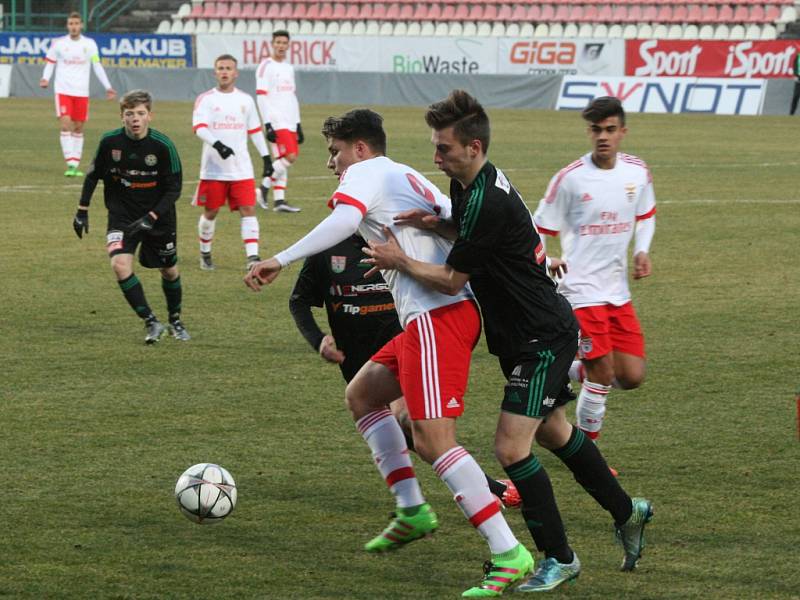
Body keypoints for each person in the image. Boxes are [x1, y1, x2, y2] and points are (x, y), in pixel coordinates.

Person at [362, 90, 653, 592]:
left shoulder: (486, 198)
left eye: (444, 148)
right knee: (554, 431)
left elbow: (453, 280)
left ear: (474, 147)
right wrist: (436, 222)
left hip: (540, 334)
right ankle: (629, 511)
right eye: (434, 147)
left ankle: (559, 558)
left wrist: (400, 259)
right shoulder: (471, 186)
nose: (436, 157)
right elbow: (476, 237)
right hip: (525, 333)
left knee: (510, 448)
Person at [246, 109, 534, 597]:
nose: (333, 164)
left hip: (437, 319)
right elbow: (463, 224)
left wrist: (278, 258)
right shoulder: (405, 176)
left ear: (359, 148)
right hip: (432, 318)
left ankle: (509, 552)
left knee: (434, 441)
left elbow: (344, 218)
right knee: (362, 396)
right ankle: (412, 508)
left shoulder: (368, 172)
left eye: (336, 153)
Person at [289, 233, 521, 508]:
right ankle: (473, 493)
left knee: (412, 422)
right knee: (411, 432)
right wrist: (318, 339)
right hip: (360, 367)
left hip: (406, 352)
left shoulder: (397, 242)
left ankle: (483, 494)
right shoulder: (326, 247)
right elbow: (299, 300)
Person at [533, 96, 656, 445]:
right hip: (580, 289)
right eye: (597, 130)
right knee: (602, 373)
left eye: (610, 130)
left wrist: (642, 250)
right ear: (589, 132)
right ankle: (589, 453)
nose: (603, 137)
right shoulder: (570, 179)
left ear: (622, 132)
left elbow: (646, 216)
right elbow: (539, 227)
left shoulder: (637, 172)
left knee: (631, 375)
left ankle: (569, 367)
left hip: (617, 292)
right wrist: (548, 259)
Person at [72, 89, 189, 344]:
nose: (135, 119)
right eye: (129, 114)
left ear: (150, 116)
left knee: (168, 270)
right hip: (122, 216)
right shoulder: (110, 142)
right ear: (122, 116)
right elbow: (93, 176)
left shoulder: (163, 146)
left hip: (159, 217)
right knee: (119, 265)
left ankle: (175, 320)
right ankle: (151, 321)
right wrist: (82, 210)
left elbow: (174, 189)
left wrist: (153, 215)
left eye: (140, 113)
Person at [192, 54, 273, 271]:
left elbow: (255, 131)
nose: (225, 71)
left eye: (228, 68)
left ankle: (253, 257)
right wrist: (218, 145)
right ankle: (205, 253)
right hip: (213, 169)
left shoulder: (245, 100)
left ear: (236, 73)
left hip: (241, 169)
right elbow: (199, 127)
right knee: (211, 211)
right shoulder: (206, 99)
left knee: (248, 209)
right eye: (221, 68)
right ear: (215, 72)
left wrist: (266, 157)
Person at [40, 12, 116, 177]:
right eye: (70, 24)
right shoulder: (58, 44)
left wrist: (108, 87)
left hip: (82, 92)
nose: (73, 27)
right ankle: (71, 164)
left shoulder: (90, 44)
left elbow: (97, 65)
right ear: (67, 26)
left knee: (79, 127)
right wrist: (45, 78)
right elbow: (50, 63)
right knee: (65, 124)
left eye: (76, 23)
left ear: (81, 25)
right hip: (63, 91)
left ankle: (75, 162)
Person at [255, 30, 303, 213]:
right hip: (276, 120)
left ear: (288, 45)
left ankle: (279, 201)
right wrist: (267, 123)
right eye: (278, 42)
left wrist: (298, 123)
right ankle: (263, 188)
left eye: (284, 42)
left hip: (290, 120)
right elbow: (261, 97)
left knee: (283, 160)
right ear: (272, 44)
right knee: (290, 157)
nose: (281, 46)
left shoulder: (289, 68)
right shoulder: (265, 66)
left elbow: (292, 96)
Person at [791, 51, 800, 116]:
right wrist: (795, 75)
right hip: (799, 80)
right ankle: (791, 114)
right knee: (796, 96)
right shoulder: (798, 56)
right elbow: (795, 65)